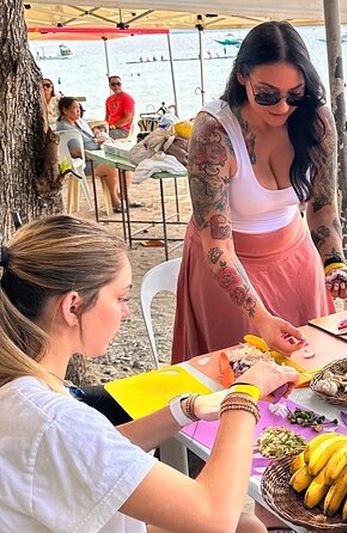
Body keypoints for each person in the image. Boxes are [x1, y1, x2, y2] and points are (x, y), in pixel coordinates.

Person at [0, 214, 299, 531]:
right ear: (73, 307)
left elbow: (97, 448)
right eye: (121, 297)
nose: (126, 311)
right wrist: (245, 392)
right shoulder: (56, 420)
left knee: (249, 527)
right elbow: (215, 516)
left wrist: (186, 409)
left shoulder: (25, 390)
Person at [172, 21, 347, 363]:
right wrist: (259, 317)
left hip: (295, 256)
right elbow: (217, 246)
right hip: (228, 270)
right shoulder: (214, 132)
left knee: (313, 367)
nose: (283, 107)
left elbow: (324, 206)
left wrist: (333, 263)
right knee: (242, 377)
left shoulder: (316, 121)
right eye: (268, 94)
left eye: (295, 95)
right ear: (243, 76)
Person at [56, 97, 144, 213]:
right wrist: (95, 153)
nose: (78, 111)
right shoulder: (65, 128)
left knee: (125, 163)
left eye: (79, 108)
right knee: (111, 167)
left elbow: (89, 137)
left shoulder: (78, 122)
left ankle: (124, 196)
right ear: (65, 111)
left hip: (94, 154)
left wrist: (97, 136)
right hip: (82, 163)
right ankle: (115, 201)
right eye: (74, 108)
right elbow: (75, 152)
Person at [105, 75, 135, 139]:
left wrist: (113, 126)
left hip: (124, 130)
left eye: (118, 84)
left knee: (104, 135)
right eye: (113, 84)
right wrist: (104, 126)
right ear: (110, 86)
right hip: (111, 128)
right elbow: (107, 116)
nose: (116, 86)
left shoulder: (127, 98)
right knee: (93, 132)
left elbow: (128, 118)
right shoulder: (109, 99)